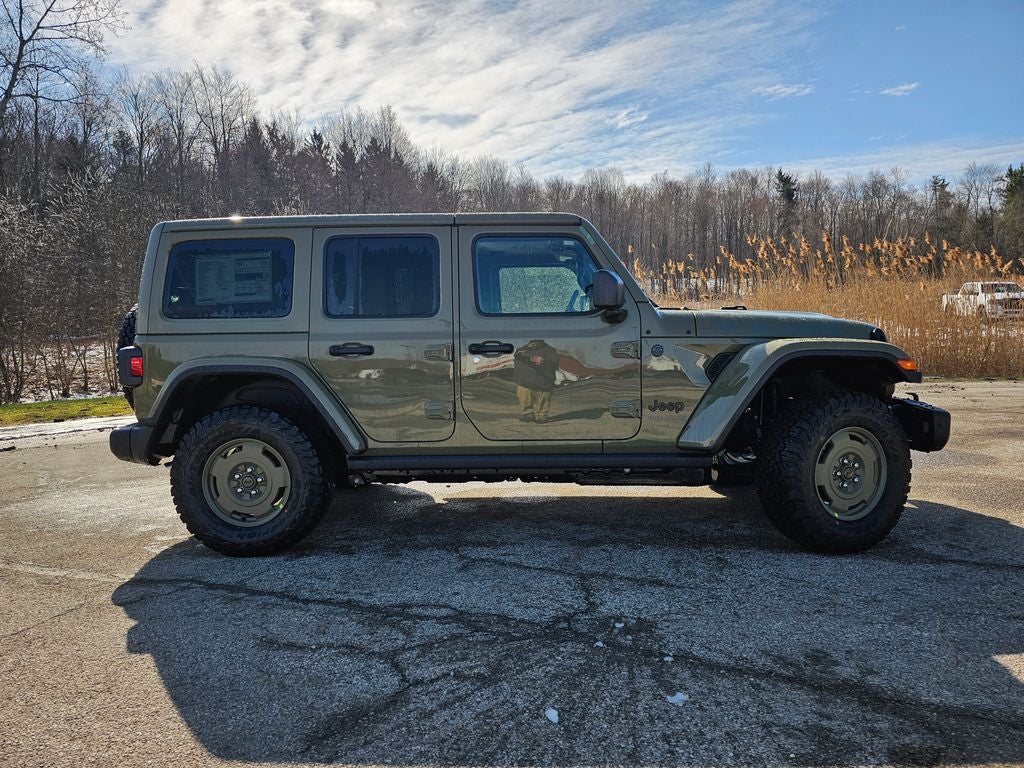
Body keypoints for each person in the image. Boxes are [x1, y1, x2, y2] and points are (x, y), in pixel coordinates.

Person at [513, 339, 559, 422]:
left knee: (544, 398)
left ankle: (542, 415)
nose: (533, 344)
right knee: (524, 397)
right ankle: (528, 414)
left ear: (541, 341)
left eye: (536, 342)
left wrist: (544, 360)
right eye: (532, 342)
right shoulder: (521, 350)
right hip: (525, 381)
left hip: (543, 380)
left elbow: (554, 362)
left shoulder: (550, 351)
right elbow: (518, 356)